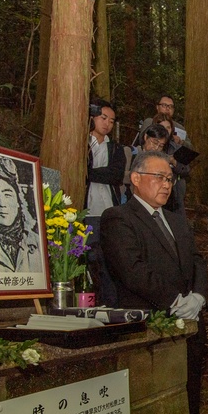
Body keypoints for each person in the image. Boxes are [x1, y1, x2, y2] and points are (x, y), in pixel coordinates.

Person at [101, 150, 208, 414]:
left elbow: (197, 261)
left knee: (190, 398)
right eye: (160, 177)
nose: (167, 185)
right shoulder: (118, 217)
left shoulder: (177, 219)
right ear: (136, 178)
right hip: (149, 328)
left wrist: (198, 298)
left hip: (190, 327)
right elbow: (131, 270)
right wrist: (174, 300)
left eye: (170, 179)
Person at [85, 99, 131, 305]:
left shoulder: (116, 149)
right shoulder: (82, 143)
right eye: (103, 118)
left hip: (108, 210)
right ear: (92, 116)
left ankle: (110, 304)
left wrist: (89, 173)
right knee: (86, 259)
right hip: (85, 211)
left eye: (112, 121)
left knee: (108, 260)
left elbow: (115, 175)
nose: (107, 124)